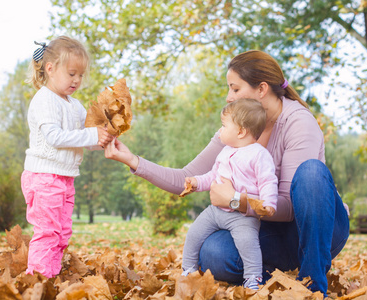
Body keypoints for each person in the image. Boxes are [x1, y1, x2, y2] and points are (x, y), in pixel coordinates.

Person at [104, 50, 350, 296]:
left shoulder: (298, 122)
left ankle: (312, 284)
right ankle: (272, 280)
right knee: (213, 253)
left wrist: (235, 200)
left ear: (261, 89)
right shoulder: (236, 129)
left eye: (235, 88)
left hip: (317, 232)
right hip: (275, 236)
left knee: (312, 172)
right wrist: (132, 159)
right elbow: (186, 177)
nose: (228, 97)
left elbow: (286, 209)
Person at [21, 36, 110, 278]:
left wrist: (103, 138)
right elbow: (55, 137)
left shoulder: (74, 104)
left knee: (62, 232)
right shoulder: (44, 100)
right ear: (50, 69)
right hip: (44, 177)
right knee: (47, 231)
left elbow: (85, 135)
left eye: (81, 75)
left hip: (65, 178)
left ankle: (51, 273)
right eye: (72, 74)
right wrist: (92, 135)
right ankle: (38, 280)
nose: (77, 80)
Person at [180, 98, 278, 290]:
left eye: (224, 126)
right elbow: (213, 176)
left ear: (241, 131)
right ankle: (188, 268)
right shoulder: (225, 152)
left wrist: (269, 203)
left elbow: (268, 181)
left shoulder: (259, 154)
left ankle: (253, 278)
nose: (220, 130)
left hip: (242, 216)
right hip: (216, 211)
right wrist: (196, 182)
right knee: (194, 233)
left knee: (247, 244)